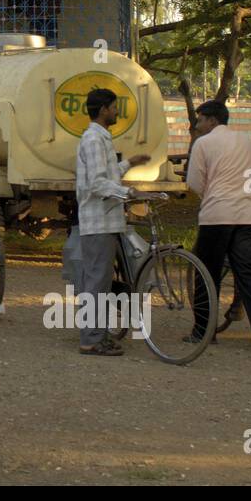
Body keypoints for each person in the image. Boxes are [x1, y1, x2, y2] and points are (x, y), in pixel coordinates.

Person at [187, 99, 251, 354]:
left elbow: (195, 183)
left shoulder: (203, 144)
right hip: (248, 216)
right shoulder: (247, 140)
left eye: (200, 120)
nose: (197, 126)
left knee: (206, 272)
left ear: (212, 120)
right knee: (250, 272)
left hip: (216, 216)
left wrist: (212, 196)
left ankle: (203, 331)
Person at [75, 88, 150, 357]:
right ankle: (91, 340)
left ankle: (98, 334)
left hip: (108, 221)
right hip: (98, 222)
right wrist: (127, 192)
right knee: (96, 281)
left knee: (103, 281)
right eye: (114, 107)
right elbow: (96, 183)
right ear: (104, 109)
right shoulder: (93, 139)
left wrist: (130, 163)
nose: (117, 112)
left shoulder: (101, 138)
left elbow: (107, 174)